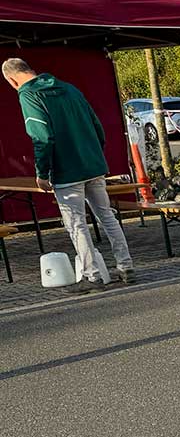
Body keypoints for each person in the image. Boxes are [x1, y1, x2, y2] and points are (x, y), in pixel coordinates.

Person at [2, 57, 135, 291]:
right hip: (93, 164)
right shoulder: (70, 88)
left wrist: (42, 172)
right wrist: (95, 154)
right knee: (107, 216)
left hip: (66, 170)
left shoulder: (28, 95)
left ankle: (92, 276)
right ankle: (126, 265)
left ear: (12, 80)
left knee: (76, 223)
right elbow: (96, 125)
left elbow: (42, 136)